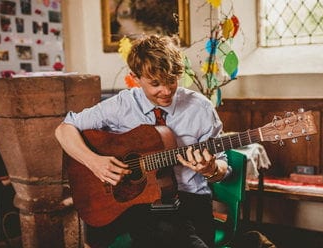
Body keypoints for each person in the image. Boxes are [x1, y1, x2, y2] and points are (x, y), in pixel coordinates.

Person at [53, 35, 229, 248]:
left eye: (172, 80)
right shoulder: (121, 105)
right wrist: (94, 162)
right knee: (105, 228)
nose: (166, 91)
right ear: (135, 78)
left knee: (162, 232)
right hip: (137, 202)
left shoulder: (200, 108)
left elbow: (222, 166)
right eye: (155, 83)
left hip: (189, 201)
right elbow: (64, 129)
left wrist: (210, 169)